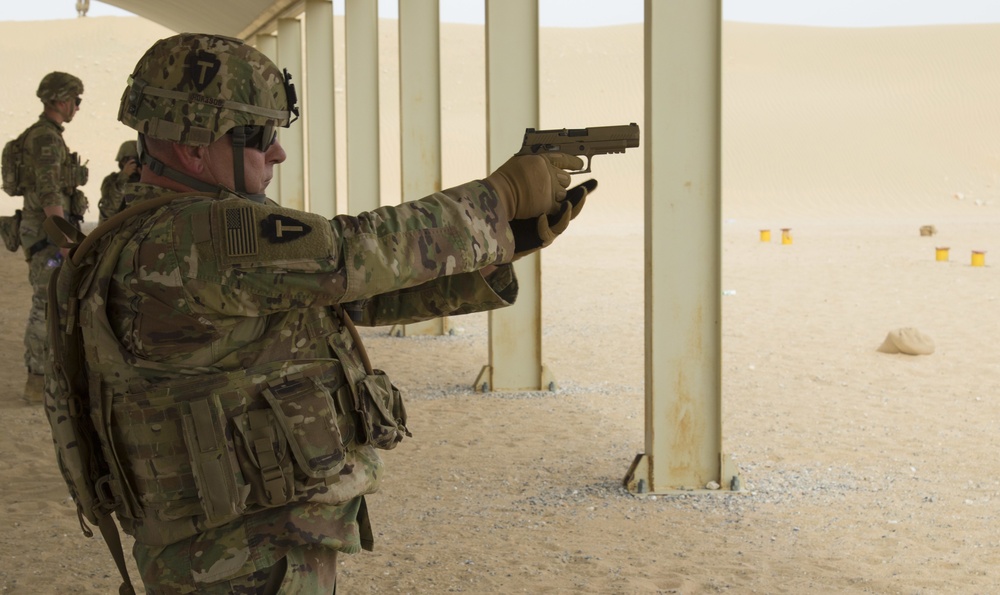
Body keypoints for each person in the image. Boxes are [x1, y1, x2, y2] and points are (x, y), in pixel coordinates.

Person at [46, 33, 594, 594]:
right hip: (244, 558)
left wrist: (508, 240)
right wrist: (497, 199)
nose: (278, 154)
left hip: (231, 549)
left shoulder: (149, 234)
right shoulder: (195, 237)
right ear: (193, 147)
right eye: (260, 137)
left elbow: (354, 295)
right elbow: (350, 252)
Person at [19, 71, 87, 403]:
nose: (77, 107)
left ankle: (43, 371)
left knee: (52, 300)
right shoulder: (45, 138)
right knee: (44, 301)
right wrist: (62, 240)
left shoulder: (49, 135)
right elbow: (48, 192)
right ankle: (36, 375)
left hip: (47, 233)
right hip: (46, 237)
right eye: (76, 100)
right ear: (61, 100)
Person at [97, 140, 140, 222]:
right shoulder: (111, 180)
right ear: (123, 161)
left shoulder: (145, 181)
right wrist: (124, 177)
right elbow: (110, 208)